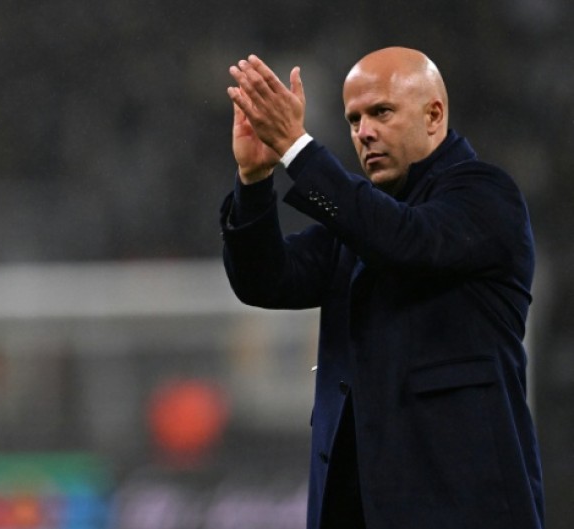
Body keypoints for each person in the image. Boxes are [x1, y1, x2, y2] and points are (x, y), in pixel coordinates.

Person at [220, 47, 545, 528]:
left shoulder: (485, 196)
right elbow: (266, 281)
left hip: (464, 510)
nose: (364, 132)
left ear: (434, 114)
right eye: (353, 120)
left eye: (381, 112)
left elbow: (403, 241)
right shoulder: (359, 224)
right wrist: (255, 180)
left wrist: (296, 146)